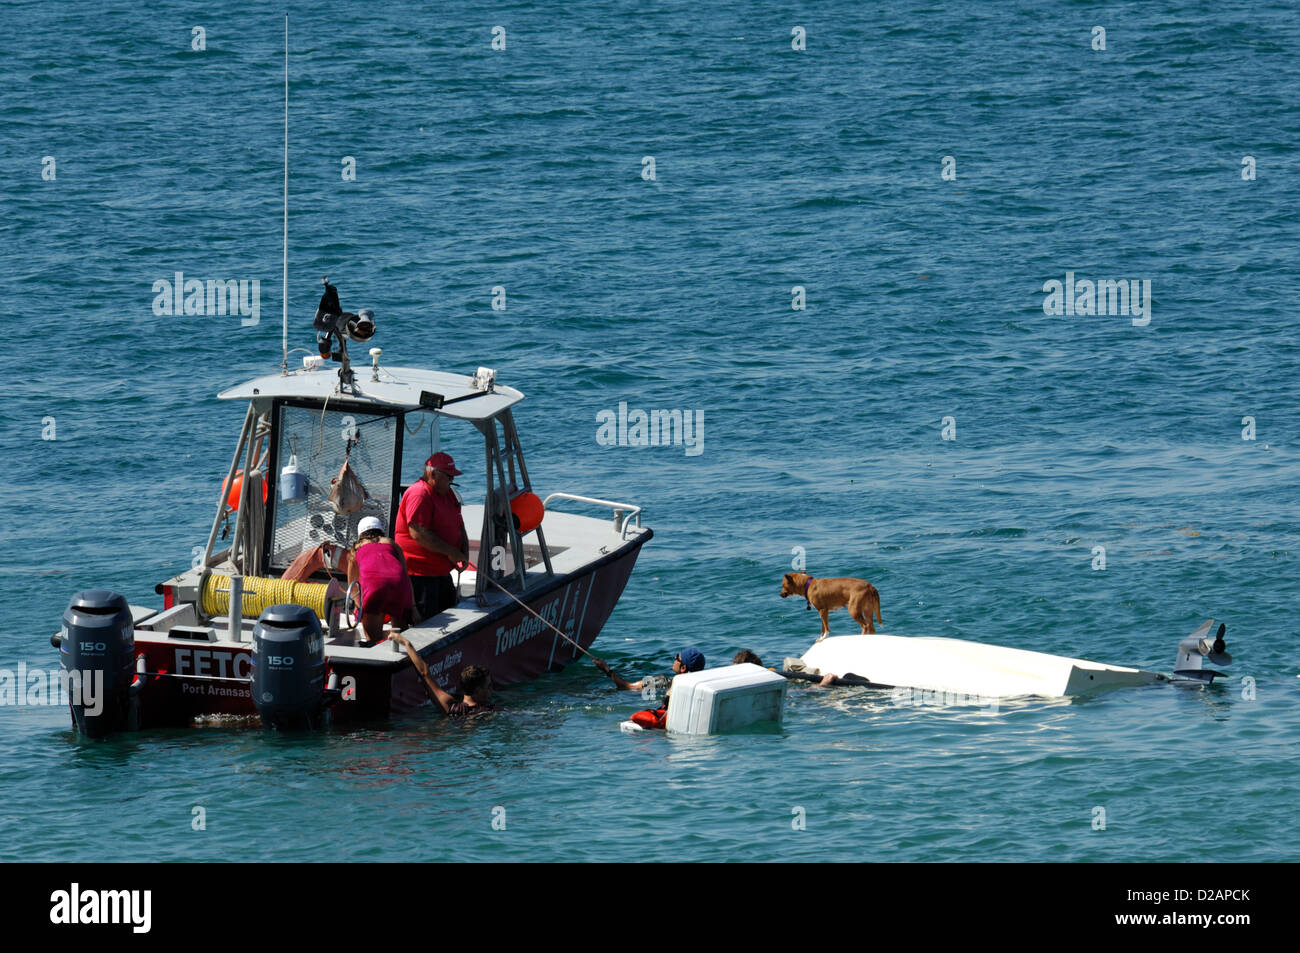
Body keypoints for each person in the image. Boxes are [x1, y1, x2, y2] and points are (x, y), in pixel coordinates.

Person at [394, 452, 469, 620]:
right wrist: (451, 551)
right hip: (421, 575)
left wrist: (464, 549)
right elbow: (418, 533)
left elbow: (459, 522)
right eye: (448, 476)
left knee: (450, 614)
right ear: (432, 474)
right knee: (428, 622)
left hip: (441, 572)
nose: (451, 481)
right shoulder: (419, 493)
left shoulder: (447, 493)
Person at [346, 516, 417, 644]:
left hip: (375, 587)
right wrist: (414, 608)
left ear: (360, 533)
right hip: (398, 586)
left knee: (373, 640)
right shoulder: (391, 543)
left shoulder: (356, 548)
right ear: (381, 530)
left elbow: (353, 587)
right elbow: (405, 576)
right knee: (400, 638)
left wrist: (358, 608)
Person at [391, 634, 495, 717]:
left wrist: (406, 643)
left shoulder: (450, 707)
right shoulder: (488, 712)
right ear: (477, 690)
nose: (491, 690)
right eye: (488, 686)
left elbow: (424, 673)